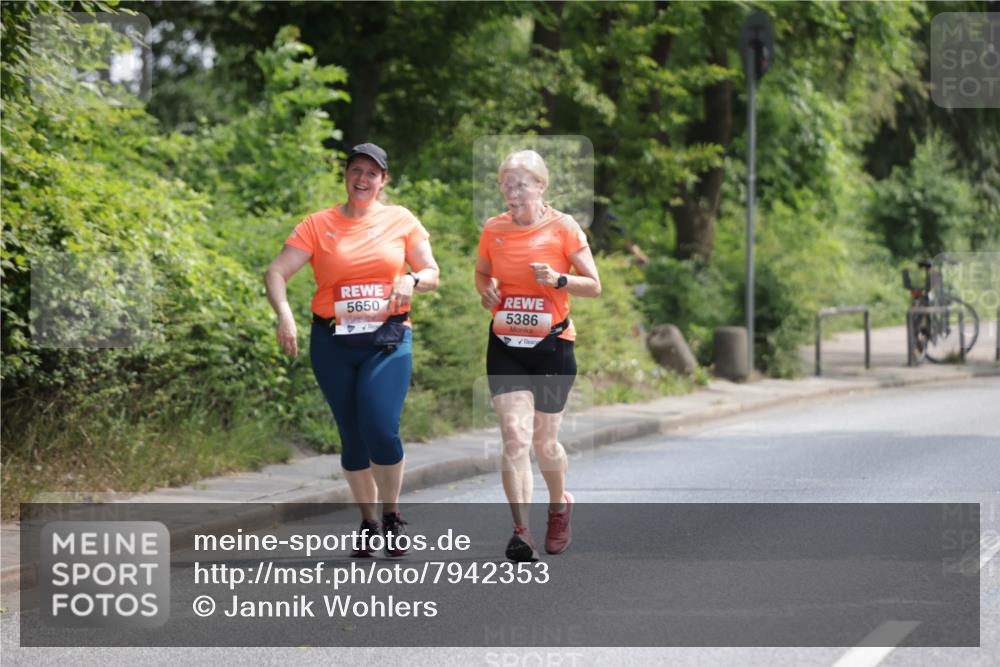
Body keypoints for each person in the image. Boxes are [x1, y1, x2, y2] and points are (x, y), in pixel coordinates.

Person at [264, 143, 439, 557]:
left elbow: (432, 272)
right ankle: (368, 520)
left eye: (372, 173)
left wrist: (411, 280)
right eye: (356, 170)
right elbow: (277, 271)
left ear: (384, 181)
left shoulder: (401, 220)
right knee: (351, 434)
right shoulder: (318, 224)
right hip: (332, 341)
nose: (363, 179)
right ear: (346, 175)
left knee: (380, 425)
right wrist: (284, 314)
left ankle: (393, 513)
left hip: (387, 339)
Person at [474, 150, 601, 561]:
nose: (512, 191)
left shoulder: (563, 228)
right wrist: (486, 290)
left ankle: (558, 505)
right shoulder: (494, 228)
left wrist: (560, 278)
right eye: (506, 184)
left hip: (553, 347)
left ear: (540, 186)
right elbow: (482, 271)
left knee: (546, 444)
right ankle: (521, 532)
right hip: (506, 345)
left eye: (520, 183)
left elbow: (593, 284)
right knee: (514, 437)